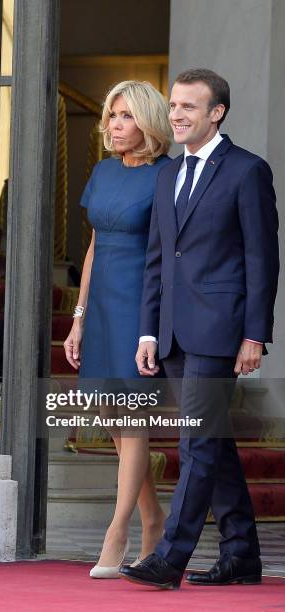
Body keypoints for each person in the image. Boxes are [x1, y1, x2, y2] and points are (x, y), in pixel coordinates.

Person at [120, 68, 279, 590]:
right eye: (173, 107)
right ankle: (241, 554)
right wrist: (148, 332)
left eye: (190, 107)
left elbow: (262, 259)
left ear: (217, 113)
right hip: (170, 334)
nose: (177, 115)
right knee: (213, 443)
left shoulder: (247, 171)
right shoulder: (166, 175)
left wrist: (254, 335)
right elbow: (157, 259)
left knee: (196, 443)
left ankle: (171, 557)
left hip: (220, 332)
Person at [63, 80, 172, 578]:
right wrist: (78, 320)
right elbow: (92, 248)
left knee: (132, 422)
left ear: (148, 122)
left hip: (139, 308)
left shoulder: (167, 176)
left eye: (126, 116)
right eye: (112, 115)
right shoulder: (105, 171)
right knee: (115, 423)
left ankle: (118, 531)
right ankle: (154, 520)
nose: (114, 125)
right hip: (102, 304)